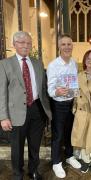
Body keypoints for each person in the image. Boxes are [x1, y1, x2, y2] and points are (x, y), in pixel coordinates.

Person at [0, 31, 52, 180]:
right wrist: (3, 117)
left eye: (28, 43)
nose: (25, 45)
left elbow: (42, 89)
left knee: (35, 145)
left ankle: (33, 170)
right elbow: (1, 92)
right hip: (15, 113)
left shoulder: (37, 63)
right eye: (22, 42)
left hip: (37, 109)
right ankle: (17, 174)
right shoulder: (4, 64)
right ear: (14, 44)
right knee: (16, 148)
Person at [46, 34, 81, 179]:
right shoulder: (53, 65)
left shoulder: (74, 63)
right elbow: (50, 88)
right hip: (59, 104)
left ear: (72, 46)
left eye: (69, 44)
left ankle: (69, 156)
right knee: (58, 134)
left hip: (71, 102)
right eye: (64, 44)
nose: (67, 47)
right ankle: (56, 162)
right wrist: (56, 91)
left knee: (69, 132)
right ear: (59, 47)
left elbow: (75, 84)